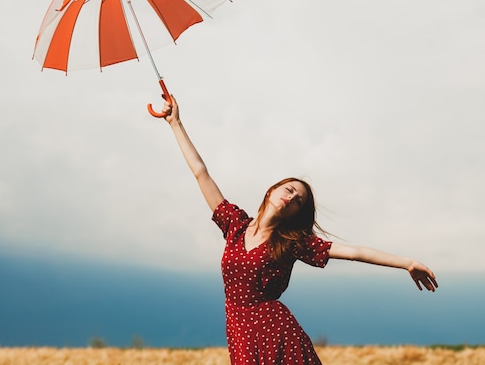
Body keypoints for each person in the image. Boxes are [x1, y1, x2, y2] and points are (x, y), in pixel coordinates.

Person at [160, 95, 438, 365]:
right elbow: (200, 172)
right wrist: (176, 124)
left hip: (276, 334)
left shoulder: (292, 243)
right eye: (289, 190)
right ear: (272, 191)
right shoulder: (235, 224)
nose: (291, 198)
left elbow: (354, 252)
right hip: (239, 332)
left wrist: (407, 263)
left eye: (298, 202)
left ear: (296, 214)